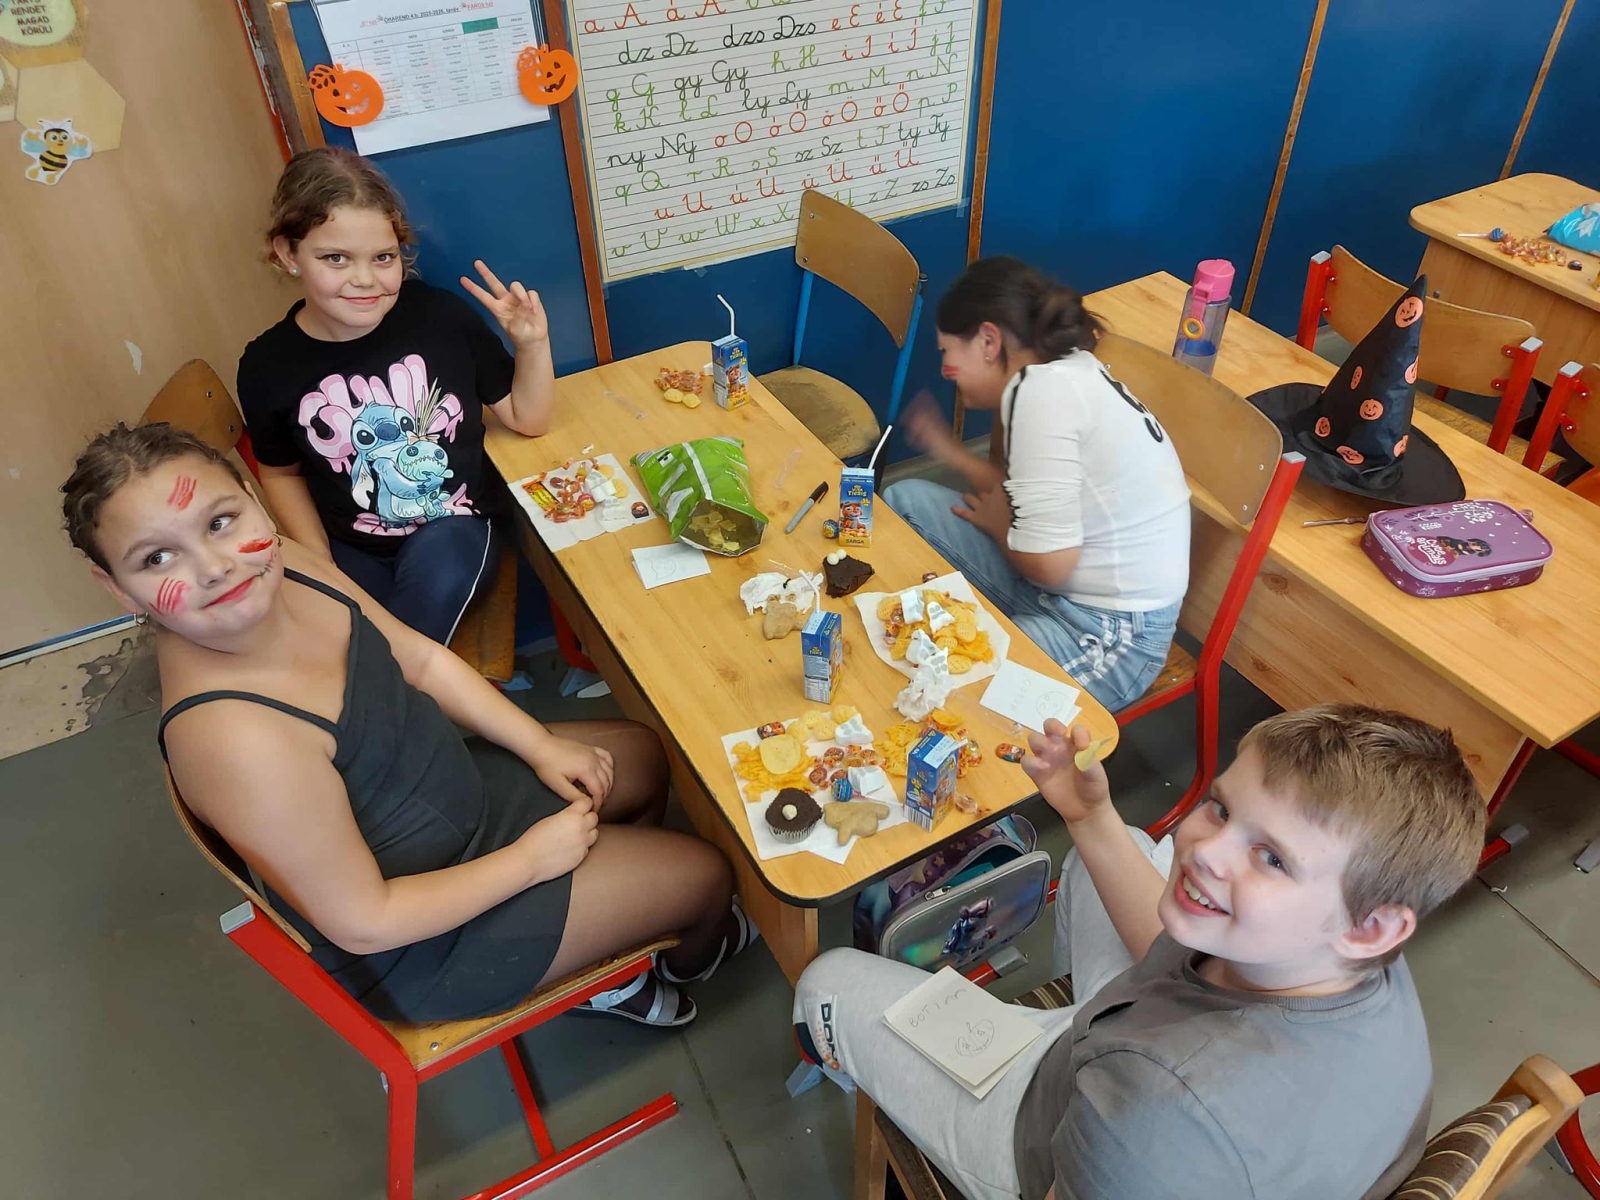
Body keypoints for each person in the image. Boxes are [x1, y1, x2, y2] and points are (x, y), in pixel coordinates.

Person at [63, 423, 752, 1026]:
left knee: (642, 755)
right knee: (704, 878)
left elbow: (418, 660)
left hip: (449, 793)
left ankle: (614, 936)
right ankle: (670, 963)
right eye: (156, 558)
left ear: (252, 495)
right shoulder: (235, 740)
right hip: (424, 936)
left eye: (219, 521)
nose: (215, 567)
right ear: (116, 588)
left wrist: (540, 744)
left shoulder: (280, 562)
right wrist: (530, 862)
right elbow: (367, 922)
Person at [793, 705, 1485, 1200]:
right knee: (1117, 841)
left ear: (1372, 928)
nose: (1204, 850)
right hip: (1135, 1075)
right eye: (1222, 808)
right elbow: (1174, 945)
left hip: (1055, 1136)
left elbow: (1150, 1120)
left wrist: (1110, 1106)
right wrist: (1088, 815)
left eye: (1272, 858)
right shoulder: (1353, 950)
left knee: (827, 981)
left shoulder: (1157, 1117)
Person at [238, 146, 556, 644]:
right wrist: (321, 562)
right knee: (350, 629)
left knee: (405, 624)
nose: (365, 280)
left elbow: (528, 418)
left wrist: (532, 345)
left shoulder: (441, 318)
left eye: (383, 257)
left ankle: (396, 682)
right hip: (351, 544)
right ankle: (404, 679)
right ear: (287, 253)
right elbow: (280, 473)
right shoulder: (266, 365)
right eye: (336, 258)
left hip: (454, 530)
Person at [886, 257, 1191, 712]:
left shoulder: (1041, 395)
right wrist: (951, 453)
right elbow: (1031, 499)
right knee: (905, 499)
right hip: (1054, 589)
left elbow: (1050, 566)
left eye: (948, 351)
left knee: (956, 692)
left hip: (1108, 634)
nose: (947, 368)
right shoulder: (1058, 372)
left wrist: (999, 528)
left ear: (988, 341)